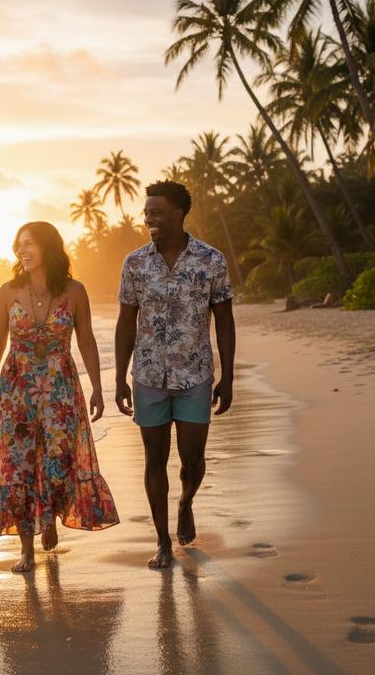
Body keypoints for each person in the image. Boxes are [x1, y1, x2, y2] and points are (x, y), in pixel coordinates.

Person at [0, 221, 119, 573]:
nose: (21, 251)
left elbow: (85, 339)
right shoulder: (8, 291)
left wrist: (98, 388)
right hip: (16, 391)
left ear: (47, 247)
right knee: (19, 465)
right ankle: (27, 548)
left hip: (60, 389)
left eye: (28, 244)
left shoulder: (74, 291)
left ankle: (51, 517)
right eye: (18, 245)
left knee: (58, 460)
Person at [115, 181, 235, 569]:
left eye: (157, 212)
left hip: (195, 375)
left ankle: (185, 502)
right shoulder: (135, 263)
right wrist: (119, 377)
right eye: (146, 212)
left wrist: (227, 376)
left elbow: (225, 320)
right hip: (148, 375)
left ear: (179, 214)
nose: (148, 218)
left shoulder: (210, 260)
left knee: (192, 460)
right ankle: (163, 541)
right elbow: (125, 322)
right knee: (154, 458)